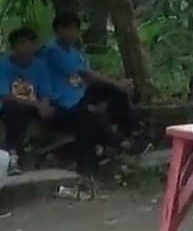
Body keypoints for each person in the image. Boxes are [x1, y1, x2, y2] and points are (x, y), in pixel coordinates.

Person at [42, 11, 141, 148]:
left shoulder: (74, 52)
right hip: (63, 98)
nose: (74, 33)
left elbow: (89, 77)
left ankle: (129, 132)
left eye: (75, 29)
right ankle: (116, 142)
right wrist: (116, 84)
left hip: (80, 91)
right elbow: (84, 73)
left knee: (117, 93)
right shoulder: (52, 50)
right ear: (60, 29)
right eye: (69, 29)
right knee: (109, 94)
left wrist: (114, 86)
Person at [0, 27, 57, 172]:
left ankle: (51, 153)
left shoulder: (40, 66)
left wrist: (44, 106)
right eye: (22, 43)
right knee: (15, 115)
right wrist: (37, 105)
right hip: (11, 106)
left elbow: (45, 92)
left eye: (30, 44)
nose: (26, 48)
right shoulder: (4, 65)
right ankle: (13, 156)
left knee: (58, 113)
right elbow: (5, 96)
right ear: (14, 46)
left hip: (34, 107)